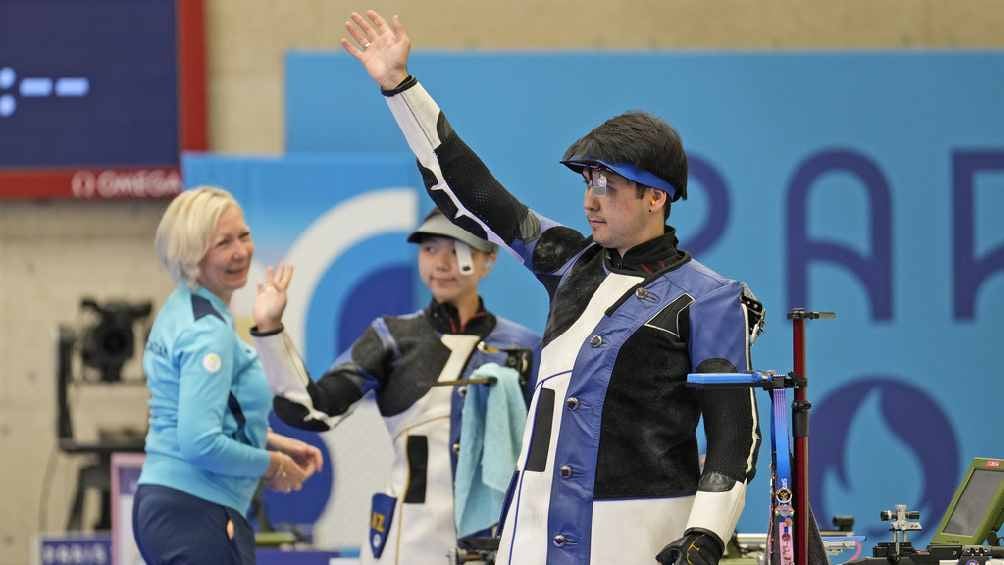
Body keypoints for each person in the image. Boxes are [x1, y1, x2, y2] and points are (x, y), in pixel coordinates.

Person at [337, 11, 766, 565]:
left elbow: (734, 434)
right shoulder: (569, 261)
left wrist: (705, 537)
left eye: (608, 186)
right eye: (588, 182)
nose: (590, 200)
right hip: (531, 531)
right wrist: (400, 88)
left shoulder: (711, 298)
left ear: (656, 198)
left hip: (640, 536)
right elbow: (473, 194)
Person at [251, 209, 540, 564]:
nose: (442, 262)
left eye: (458, 250)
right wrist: (270, 330)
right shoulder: (392, 337)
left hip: (498, 538)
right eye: (430, 249)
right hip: (409, 541)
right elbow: (311, 410)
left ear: (489, 259)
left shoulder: (525, 346)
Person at [133, 187, 323, 565]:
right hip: (195, 510)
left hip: (171, 504)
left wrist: (271, 441)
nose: (241, 252)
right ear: (192, 254)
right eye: (223, 243)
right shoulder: (209, 333)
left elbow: (203, 413)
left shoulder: (183, 308)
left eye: (244, 236)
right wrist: (273, 465)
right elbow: (199, 442)